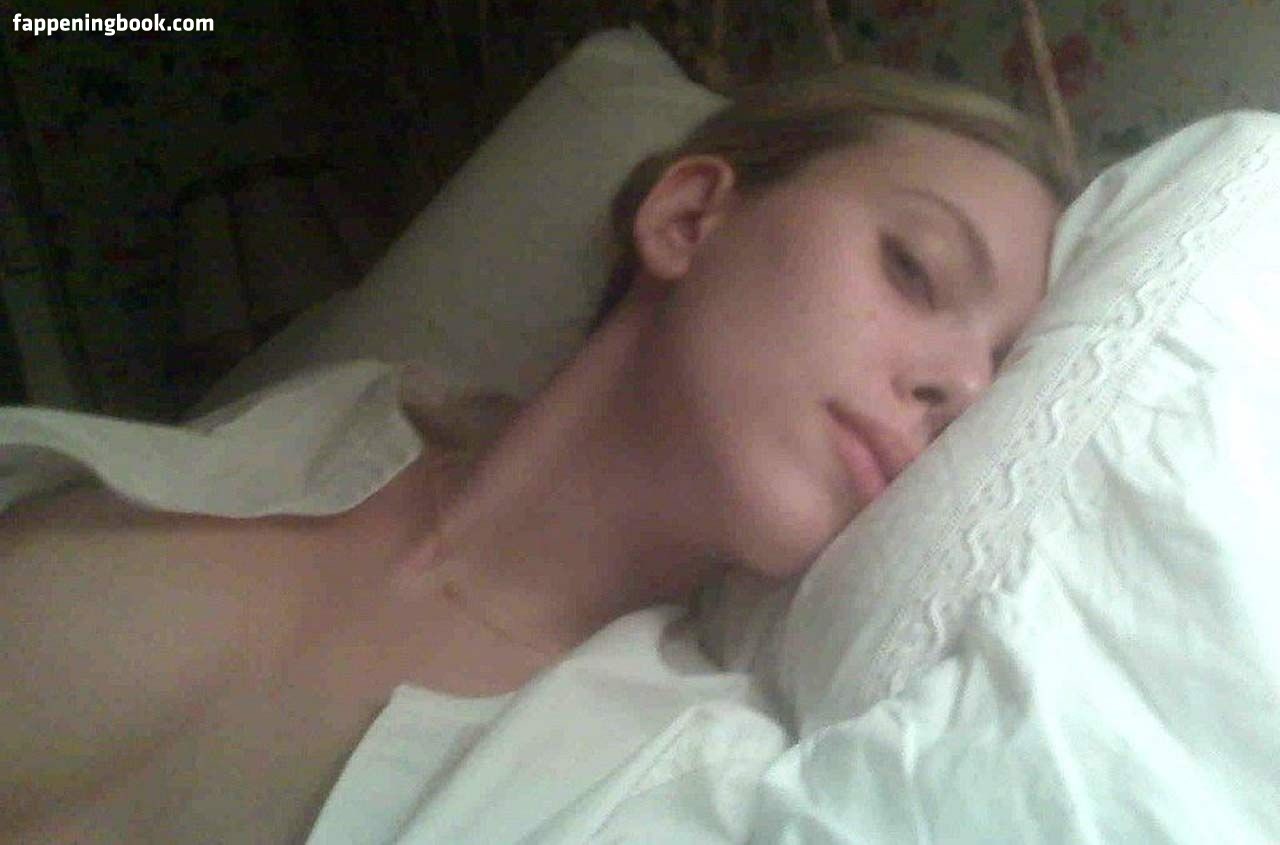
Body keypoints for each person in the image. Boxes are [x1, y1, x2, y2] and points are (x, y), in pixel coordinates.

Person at [0, 61, 1077, 842]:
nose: (961, 389)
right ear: (689, 216)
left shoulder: (666, 784)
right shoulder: (333, 418)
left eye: (994, 373)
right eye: (915, 267)